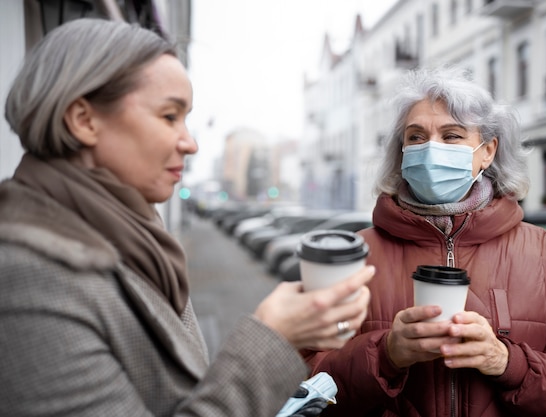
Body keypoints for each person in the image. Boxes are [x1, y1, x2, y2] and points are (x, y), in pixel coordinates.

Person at [0, 18, 374, 417]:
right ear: (83, 120)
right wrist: (275, 339)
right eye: (168, 116)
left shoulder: (134, 233)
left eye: (187, 118)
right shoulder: (27, 273)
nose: (191, 143)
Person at [302, 66, 546, 416]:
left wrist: (508, 362)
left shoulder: (545, 255)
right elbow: (302, 388)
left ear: (487, 151)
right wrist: (385, 355)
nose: (430, 149)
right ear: (401, 152)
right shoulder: (354, 257)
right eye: (415, 137)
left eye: (452, 136)